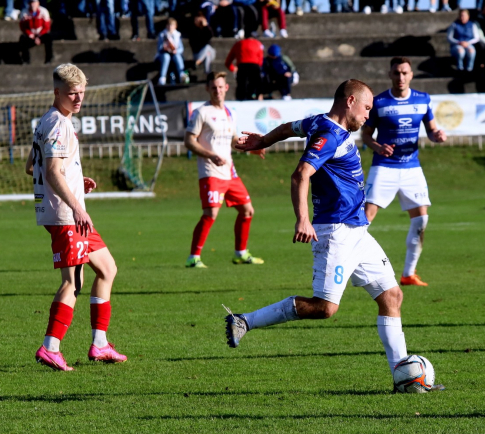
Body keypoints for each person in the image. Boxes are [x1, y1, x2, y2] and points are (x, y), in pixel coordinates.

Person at [229, 80, 443, 391]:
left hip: (358, 231)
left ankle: (402, 375)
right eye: (367, 108)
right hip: (336, 233)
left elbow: (291, 126)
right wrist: (303, 219)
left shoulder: (319, 122)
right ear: (351, 101)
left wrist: (264, 141)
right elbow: (301, 174)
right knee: (325, 308)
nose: (368, 116)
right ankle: (244, 320)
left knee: (392, 296)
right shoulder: (329, 135)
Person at [26, 63, 126, 371]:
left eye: (82, 92)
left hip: (67, 212)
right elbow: (52, 171)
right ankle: (50, 347)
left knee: (107, 268)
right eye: (72, 93)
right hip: (67, 216)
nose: (79, 98)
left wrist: (75, 180)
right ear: (57, 92)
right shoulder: (59, 124)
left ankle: (99, 345)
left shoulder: (47, 120)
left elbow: (33, 166)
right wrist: (77, 204)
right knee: (72, 282)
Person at [360, 58, 446, 287]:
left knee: (421, 220)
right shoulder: (378, 102)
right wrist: (377, 146)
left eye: (404, 73)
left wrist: (437, 136)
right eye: (396, 73)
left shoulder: (422, 100)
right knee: (365, 218)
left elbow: (432, 129)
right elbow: (365, 135)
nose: (400, 77)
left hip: (411, 169)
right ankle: (351, 265)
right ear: (390, 74)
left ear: (411, 75)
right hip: (384, 168)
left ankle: (408, 274)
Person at [183, 72, 266, 268]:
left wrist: (250, 148)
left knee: (247, 211)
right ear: (207, 89)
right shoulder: (201, 112)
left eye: (220, 87)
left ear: (226, 88)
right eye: (213, 87)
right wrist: (210, 154)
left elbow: (233, 139)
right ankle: (193, 257)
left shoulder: (230, 113)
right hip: (210, 172)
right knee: (211, 213)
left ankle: (241, 254)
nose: (217, 91)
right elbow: (189, 140)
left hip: (230, 172)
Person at [225, 33, 264, 100]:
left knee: (241, 88)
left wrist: (233, 68)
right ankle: (256, 97)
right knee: (255, 87)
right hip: (255, 68)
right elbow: (260, 60)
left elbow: (228, 62)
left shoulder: (238, 44)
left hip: (242, 68)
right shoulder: (258, 44)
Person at [156, 18, 188, 85]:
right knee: (166, 57)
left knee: (177, 56)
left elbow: (181, 48)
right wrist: (164, 48)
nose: (170, 27)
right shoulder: (162, 35)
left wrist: (176, 51)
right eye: (169, 25)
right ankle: (162, 77)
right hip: (164, 54)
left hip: (174, 54)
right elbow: (159, 48)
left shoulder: (177, 35)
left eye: (172, 25)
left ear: (175, 26)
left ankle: (182, 74)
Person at [19, 0, 52, 65]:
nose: (32, 4)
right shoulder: (24, 12)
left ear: (38, 3)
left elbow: (46, 26)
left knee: (49, 37)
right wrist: (30, 34)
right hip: (30, 35)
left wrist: (39, 36)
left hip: (41, 34)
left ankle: (48, 59)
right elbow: (22, 27)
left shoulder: (43, 11)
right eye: (31, 2)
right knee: (22, 38)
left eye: (34, 2)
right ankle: (26, 60)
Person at [190, 11, 216, 75]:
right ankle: (207, 73)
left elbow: (210, 36)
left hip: (209, 51)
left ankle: (197, 62)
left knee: (208, 48)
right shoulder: (192, 30)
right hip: (198, 53)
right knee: (207, 54)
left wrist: (206, 26)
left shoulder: (206, 29)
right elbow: (195, 45)